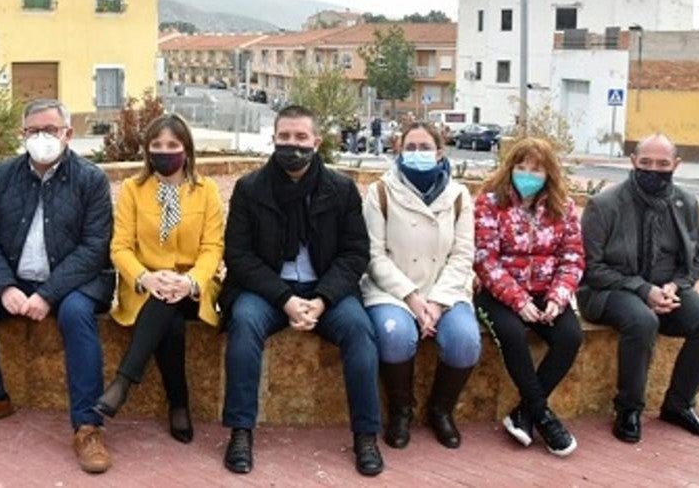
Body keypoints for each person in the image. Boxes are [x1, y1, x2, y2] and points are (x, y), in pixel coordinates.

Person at [0, 99, 115, 474]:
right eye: (33, 130)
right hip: (13, 277)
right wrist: (5, 286)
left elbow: (94, 249)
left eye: (51, 130)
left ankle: (87, 426)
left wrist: (47, 294)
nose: (42, 137)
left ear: (68, 134)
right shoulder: (3, 174)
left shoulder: (91, 180)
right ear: (22, 134)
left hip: (75, 282)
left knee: (75, 315)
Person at [220, 105, 383, 477]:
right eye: (285, 137)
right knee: (243, 324)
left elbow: (355, 253)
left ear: (317, 142)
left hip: (326, 291)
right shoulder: (250, 189)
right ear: (274, 139)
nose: (292, 146)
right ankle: (240, 431)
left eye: (300, 138)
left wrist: (323, 299)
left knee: (360, 331)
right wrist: (285, 299)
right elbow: (239, 255)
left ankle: (366, 436)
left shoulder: (341, 190)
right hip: (269, 292)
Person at [580, 133, 699, 443]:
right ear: (633, 162)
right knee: (642, 320)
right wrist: (643, 290)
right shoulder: (604, 204)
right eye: (645, 163)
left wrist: (677, 285)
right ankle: (628, 409)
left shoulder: (685, 202)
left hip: (666, 290)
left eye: (662, 164)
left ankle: (679, 404)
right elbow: (592, 268)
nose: (653, 170)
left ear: (676, 165)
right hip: (608, 290)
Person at [94, 114, 224, 443]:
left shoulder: (206, 190)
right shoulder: (132, 190)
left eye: (172, 145)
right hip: (145, 288)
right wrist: (146, 278)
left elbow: (213, 247)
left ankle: (123, 383)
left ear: (187, 149)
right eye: (156, 145)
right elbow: (120, 247)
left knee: (171, 305)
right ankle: (178, 404)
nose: (164, 151)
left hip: (194, 288)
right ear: (147, 151)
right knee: (168, 318)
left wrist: (191, 281)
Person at [361, 122, 481, 449]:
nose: (417, 154)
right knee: (395, 335)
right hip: (393, 290)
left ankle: (441, 410)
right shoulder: (381, 192)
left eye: (424, 147)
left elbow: (463, 255)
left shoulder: (458, 196)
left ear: (440, 151)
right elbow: (373, 254)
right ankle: (402, 410)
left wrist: (439, 302)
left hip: (446, 290)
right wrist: (412, 299)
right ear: (398, 151)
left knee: (464, 341)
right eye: (410, 147)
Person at [473, 136, 585, 458]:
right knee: (511, 333)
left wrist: (558, 297)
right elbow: (485, 260)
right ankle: (544, 417)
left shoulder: (563, 208)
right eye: (521, 167)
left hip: (546, 292)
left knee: (569, 336)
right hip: (499, 292)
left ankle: (523, 413)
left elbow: (573, 257)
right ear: (510, 168)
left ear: (549, 173)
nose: (527, 175)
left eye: (536, 170)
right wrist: (519, 301)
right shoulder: (490, 203)